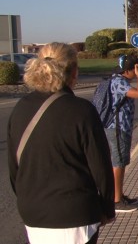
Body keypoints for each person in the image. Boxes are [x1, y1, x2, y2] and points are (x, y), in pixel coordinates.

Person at [7, 42, 115, 244]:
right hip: (75, 215)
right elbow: (101, 168)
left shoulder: (21, 108)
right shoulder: (82, 111)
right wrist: (108, 209)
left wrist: (30, 199)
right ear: (73, 72)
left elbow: (14, 169)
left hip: (33, 213)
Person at [106, 54, 138, 212]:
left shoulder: (118, 80)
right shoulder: (119, 82)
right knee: (118, 163)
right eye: (134, 69)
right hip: (117, 128)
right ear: (129, 70)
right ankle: (116, 201)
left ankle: (119, 195)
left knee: (120, 162)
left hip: (121, 127)